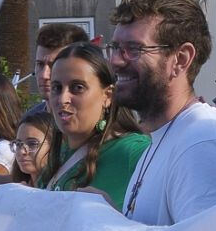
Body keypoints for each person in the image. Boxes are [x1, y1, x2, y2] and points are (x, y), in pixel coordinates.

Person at [107, 0, 216, 224]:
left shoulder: (203, 145)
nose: (116, 61)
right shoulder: (170, 137)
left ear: (181, 59)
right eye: (115, 48)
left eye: (134, 49)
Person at [42, 42, 150, 208]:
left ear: (108, 96)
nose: (63, 99)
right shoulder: (58, 156)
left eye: (77, 87)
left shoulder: (134, 152)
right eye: (56, 87)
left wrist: (110, 215)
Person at [26, 21, 91, 121]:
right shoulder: (29, 121)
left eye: (54, 65)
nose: (44, 75)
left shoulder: (106, 125)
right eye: (40, 64)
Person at [11, 110, 55, 187]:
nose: (22, 151)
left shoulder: (65, 192)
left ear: (54, 145)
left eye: (32, 144)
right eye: (18, 144)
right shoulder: (15, 190)